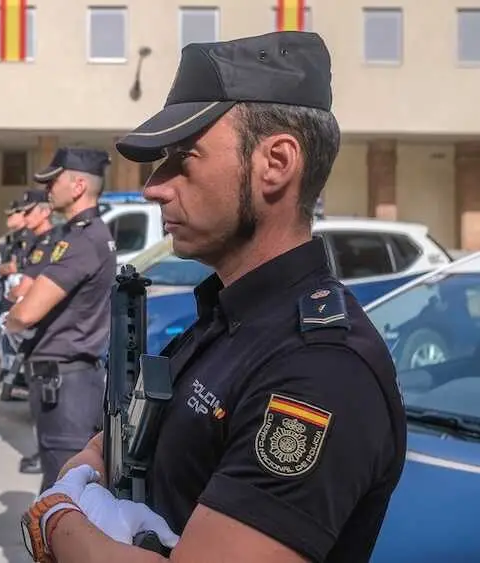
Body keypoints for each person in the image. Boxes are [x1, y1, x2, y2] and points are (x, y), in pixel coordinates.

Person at [25, 32, 407, 563]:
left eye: (184, 157)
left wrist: (56, 521)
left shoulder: (319, 372)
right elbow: (132, 443)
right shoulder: (225, 319)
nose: (154, 186)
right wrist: (91, 465)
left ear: (276, 162)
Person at [1, 147, 115, 493]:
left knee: (63, 493)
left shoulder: (83, 238)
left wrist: (12, 320)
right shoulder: (79, 234)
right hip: (65, 380)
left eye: (55, 181)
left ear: (78, 185)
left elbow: (27, 311)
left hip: (67, 385)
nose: (48, 189)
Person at [4, 188, 63, 476]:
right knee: (35, 397)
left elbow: (28, 286)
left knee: (45, 402)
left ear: (44, 211)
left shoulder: (51, 242)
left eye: (29, 211)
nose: (24, 216)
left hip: (41, 330)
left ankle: (46, 456)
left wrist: (13, 298)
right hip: (32, 331)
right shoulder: (36, 241)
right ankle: (43, 451)